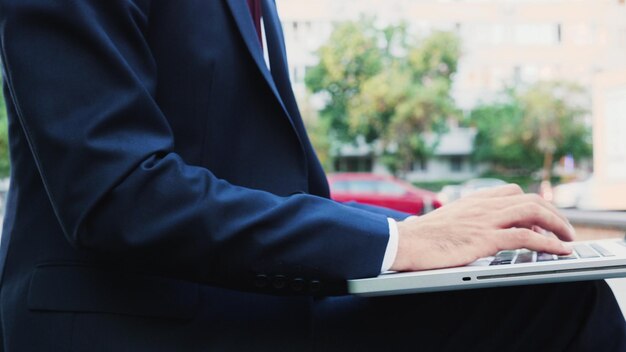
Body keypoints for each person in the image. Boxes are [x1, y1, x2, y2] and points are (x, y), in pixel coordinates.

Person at [0, 0, 623, 351]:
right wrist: (403, 244)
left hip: (251, 303)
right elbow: (120, 194)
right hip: (133, 322)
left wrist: (435, 235)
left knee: (553, 292)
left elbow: (282, 192)